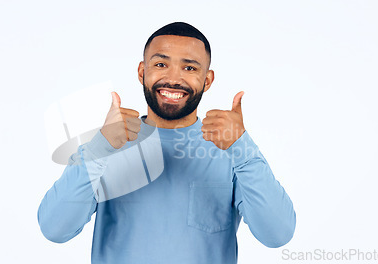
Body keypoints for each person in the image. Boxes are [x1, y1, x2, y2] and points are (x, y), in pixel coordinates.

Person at [38, 22, 296, 264]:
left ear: (207, 80)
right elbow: (55, 229)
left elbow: (277, 234)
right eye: (161, 64)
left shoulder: (230, 149)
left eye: (190, 67)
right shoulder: (109, 145)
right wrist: (100, 147)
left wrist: (242, 148)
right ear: (142, 72)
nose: (174, 78)